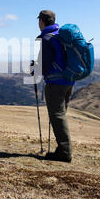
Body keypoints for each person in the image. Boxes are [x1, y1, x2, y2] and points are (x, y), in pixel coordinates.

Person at [35, 10, 75, 162]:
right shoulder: (61, 35)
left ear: (42, 21)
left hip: (55, 82)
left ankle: (64, 152)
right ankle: (62, 149)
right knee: (61, 115)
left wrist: (36, 69)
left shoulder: (46, 37)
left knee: (57, 116)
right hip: (69, 80)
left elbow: (44, 64)